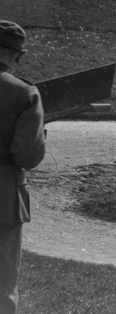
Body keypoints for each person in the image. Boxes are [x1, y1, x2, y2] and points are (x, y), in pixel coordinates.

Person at [0, 20, 46, 314]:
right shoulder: (23, 93)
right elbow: (28, 155)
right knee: (2, 286)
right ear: (14, 56)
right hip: (2, 198)